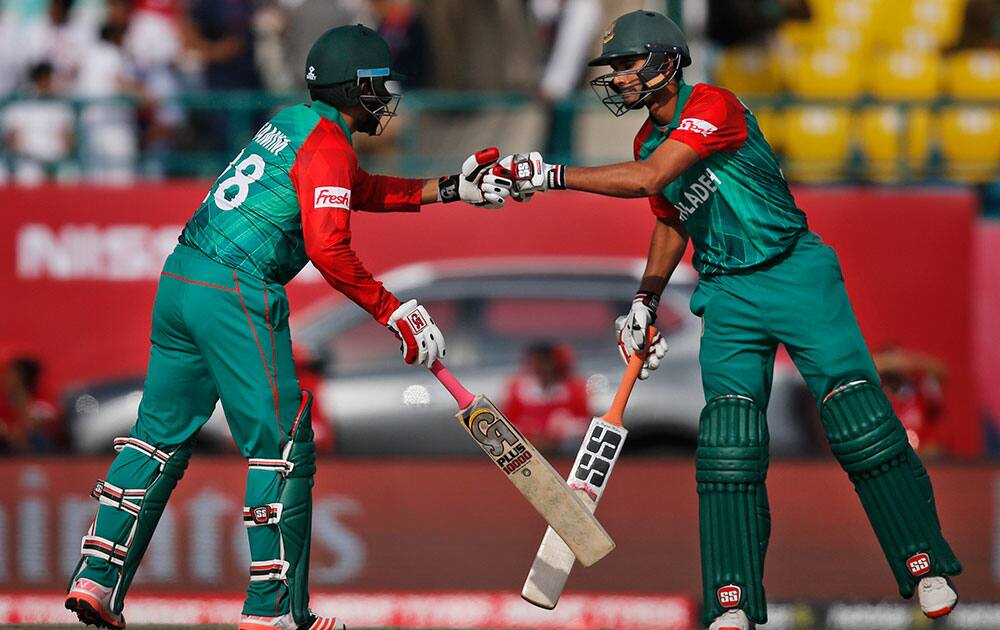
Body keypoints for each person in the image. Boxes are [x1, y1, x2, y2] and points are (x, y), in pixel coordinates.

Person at [496, 10, 961, 629]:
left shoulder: (713, 104)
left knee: (856, 415)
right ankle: (732, 600)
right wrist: (644, 300)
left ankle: (923, 563)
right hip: (727, 290)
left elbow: (653, 179)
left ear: (666, 63)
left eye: (627, 65)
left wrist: (550, 174)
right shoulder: (644, 141)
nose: (618, 80)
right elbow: (669, 216)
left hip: (793, 269)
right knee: (727, 444)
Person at [64, 24, 511, 630]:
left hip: (182, 279)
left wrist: (451, 188)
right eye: (378, 86)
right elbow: (329, 248)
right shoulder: (327, 146)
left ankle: (96, 580)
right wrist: (391, 308)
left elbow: (356, 189)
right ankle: (274, 613)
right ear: (354, 87)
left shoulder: (291, 123)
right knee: (282, 443)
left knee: (157, 436)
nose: (385, 98)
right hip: (235, 289)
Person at [502, 342, 590, 453]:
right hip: (528, 448)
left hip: (564, 450)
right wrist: (532, 435)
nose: (542, 368)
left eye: (546, 362)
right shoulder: (517, 389)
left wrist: (555, 435)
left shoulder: (574, 388)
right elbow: (508, 425)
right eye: (537, 363)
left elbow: (583, 423)